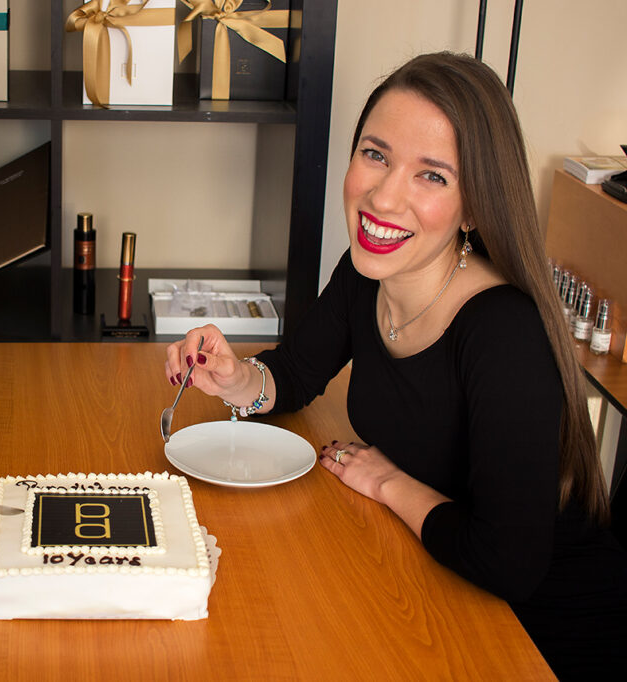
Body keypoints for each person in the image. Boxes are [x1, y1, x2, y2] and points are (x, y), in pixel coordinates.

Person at [166, 52, 627, 679]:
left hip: (541, 634)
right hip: (432, 582)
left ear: (474, 206)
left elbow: (507, 563)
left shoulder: (505, 334)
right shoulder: (367, 273)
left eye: (431, 176)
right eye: (375, 155)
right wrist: (238, 377)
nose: (383, 195)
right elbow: (298, 374)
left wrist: (389, 484)